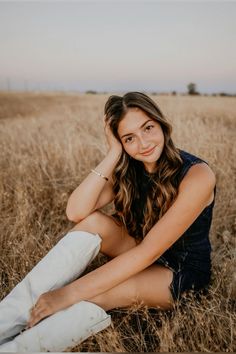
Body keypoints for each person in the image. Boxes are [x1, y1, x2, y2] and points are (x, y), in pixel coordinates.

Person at [0, 91, 216, 352]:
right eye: (129, 138)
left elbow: (149, 252)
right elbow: (76, 212)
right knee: (92, 222)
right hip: (138, 248)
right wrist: (113, 153)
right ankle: (6, 321)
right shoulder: (129, 167)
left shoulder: (197, 175)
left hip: (180, 270)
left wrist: (66, 294)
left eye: (148, 128)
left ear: (161, 123)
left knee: (96, 294)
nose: (143, 143)